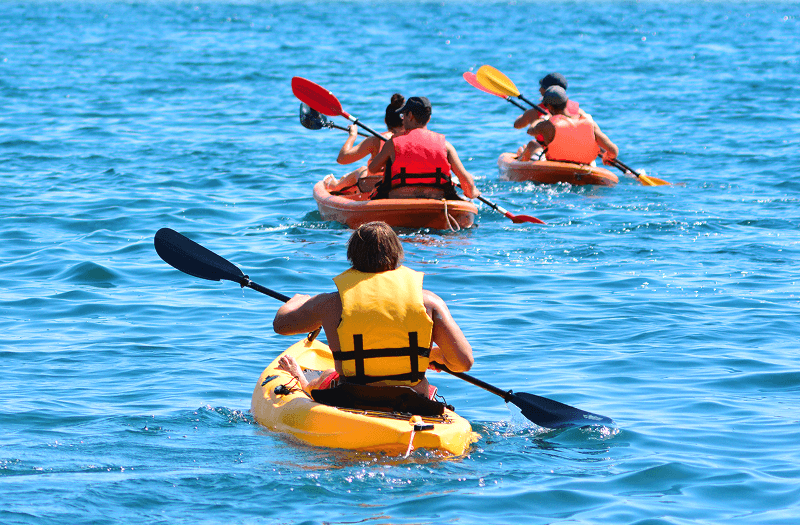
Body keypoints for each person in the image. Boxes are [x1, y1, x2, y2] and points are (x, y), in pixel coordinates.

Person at [274, 221, 474, 397]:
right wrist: (434, 355)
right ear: (397, 256)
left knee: (328, 374)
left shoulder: (330, 303)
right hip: (411, 400)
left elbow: (281, 325)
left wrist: (298, 300)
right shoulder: (430, 302)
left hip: (353, 397)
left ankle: (303, 382)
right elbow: (464, 363)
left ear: (352, 257)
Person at [367, 96, 480, 200]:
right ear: (429, 118)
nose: (402, 119)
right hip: (436, 199)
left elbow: (372, 169)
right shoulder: (446, 145)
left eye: (403, 115)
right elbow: (465, 179)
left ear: (410, 116)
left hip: (399, 199)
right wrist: (472, 193)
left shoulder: (392, 143)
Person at [323, 94, 405, 194]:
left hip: (376, 188)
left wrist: (352, 136)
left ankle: (335, 185)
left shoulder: (375, 140)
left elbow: (342, 159)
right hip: (404, 186)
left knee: (362, 170)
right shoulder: (414, 139)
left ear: (385, 121)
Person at [517, 86, 619, 165]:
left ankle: (521, 160)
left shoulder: (549, 125)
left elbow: (530, 131)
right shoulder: (588, 122)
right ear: (567, 101)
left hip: (556, 168)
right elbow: (613, 151)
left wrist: (542, 118)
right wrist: (607, 157)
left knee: (532, 144)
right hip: (583, 166)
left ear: (549, 106)